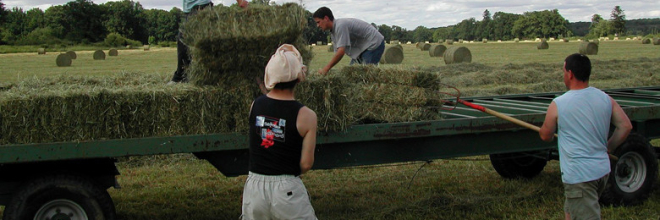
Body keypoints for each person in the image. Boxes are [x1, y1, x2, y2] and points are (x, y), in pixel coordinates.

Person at [539, 53, 632, 220]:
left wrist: (543, 130)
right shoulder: (604, 98)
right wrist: (609, 147)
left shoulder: (559, 103)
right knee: (571, 211)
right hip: (601, 171)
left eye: (564, 71)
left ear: (570, 74)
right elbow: (625, 126)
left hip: (580, 176)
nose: (563, 75)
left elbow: (546, 136)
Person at [241, 44, 318, 220]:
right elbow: (306, 164)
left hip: (254, 187)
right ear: (299, 78)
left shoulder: (255, 105)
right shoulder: (307, 115)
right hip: (286, 188)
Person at [169, 0, 248, 84]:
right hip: (190, 10)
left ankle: (179, 77)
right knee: (196, 43)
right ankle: (190, 76)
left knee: (183, 39)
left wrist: (240, 1)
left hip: (201, 7)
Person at [312, 6, 385, 75]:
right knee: (351, 74)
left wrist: (326, 69)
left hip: (373, 44)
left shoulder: (340, 26)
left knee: (365, 75)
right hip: (363, 48)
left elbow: (341, 52)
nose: (318, 26)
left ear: (326, 18)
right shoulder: (333, 32)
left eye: (318, 22)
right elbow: (337, 53)